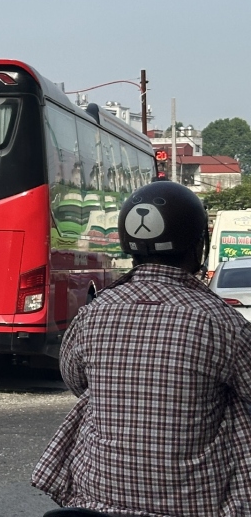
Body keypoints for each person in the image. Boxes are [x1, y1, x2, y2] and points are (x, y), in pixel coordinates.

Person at [32, 181, 251, 516]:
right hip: (198, 507)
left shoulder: (93, 313)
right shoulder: (222, 323)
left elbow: (77, 382)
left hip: (93, 504)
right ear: (197, 246)